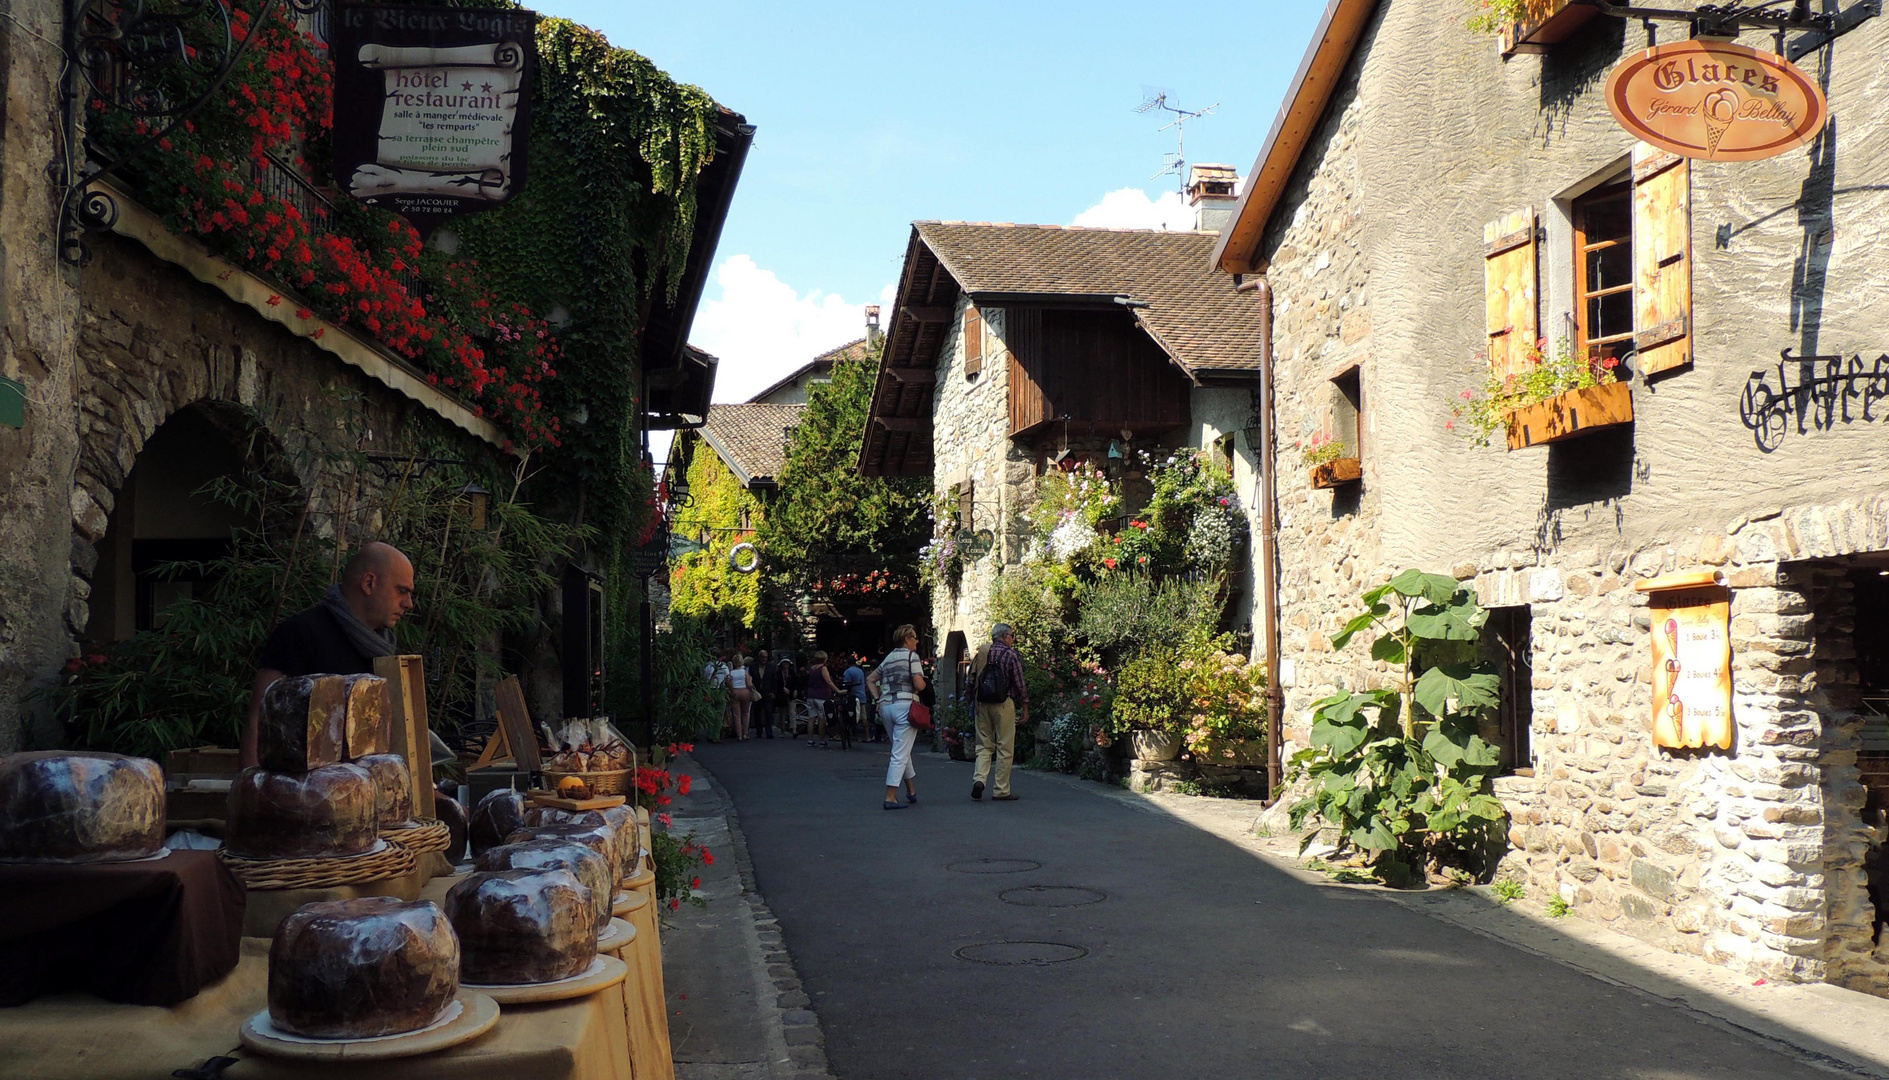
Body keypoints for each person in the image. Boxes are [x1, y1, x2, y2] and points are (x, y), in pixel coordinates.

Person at [243, 541, 415, 768]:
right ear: (369, 583)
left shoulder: (384, 652)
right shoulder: (301, 632)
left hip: (368, 790)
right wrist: (253, 789)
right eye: (401, 591)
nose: (408, 603)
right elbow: (261, 716)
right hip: (307, 791)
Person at [968, 623, 1029, 802]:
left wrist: (973, 701)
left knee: (984, 745)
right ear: (1004, 637)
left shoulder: (982, 653)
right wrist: (1025, 706)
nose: (1013, 639)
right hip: (1003, 704)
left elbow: (971, 679)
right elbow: (1020, 684)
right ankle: (1001, 789)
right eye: (1012, 635)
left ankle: (979, 779)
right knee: (1004, 746)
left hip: (983, 704)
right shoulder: (1010, 655)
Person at [867, 624, 925, 809]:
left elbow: (870, 679)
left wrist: (877, 698)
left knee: (900, 747)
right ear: (907, 639)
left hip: (886, 707)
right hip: (905, 707)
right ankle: (890, 796)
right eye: (914, 637)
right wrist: (924, 684)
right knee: (899, 753)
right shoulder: (912, 657)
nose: (917, 640)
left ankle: (911, 790)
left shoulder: (888, 658)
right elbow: (919, 683)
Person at [805, 651, 840, 747]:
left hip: (811, 695)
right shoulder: (823, 668)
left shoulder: (811, 668)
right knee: (822, 718)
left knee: (811, 718)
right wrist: (837, 690)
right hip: (821, 695)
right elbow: (828, 681)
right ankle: (821, 740)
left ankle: (810, 739)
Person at [843, 655, 870, 744]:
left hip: (852, 697)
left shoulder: (848, 672)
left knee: (849, 715)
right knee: (863, 716)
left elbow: (846, 683)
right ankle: (867, 736)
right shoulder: (860, 671)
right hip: (862, 695)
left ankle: (848, 734)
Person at [727, 650, 754, 740]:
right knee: (745, 713)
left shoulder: (731, 673)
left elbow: (728, 682)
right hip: (745, 691)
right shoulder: (745, 672)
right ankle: (745, 733)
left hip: (735, 691)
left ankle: (739, 735)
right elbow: (749, 684)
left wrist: (731, 690)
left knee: (736, 714)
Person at [774, 650, 800, 737]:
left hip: (791, 694)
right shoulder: (778, 674)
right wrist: (782, 689)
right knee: (782, 713)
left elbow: (796, 683)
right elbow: (776, 684)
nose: (785, 665)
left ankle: (794, 729)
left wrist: (795, 690)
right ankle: (782, 730)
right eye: (784, 663)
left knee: (792, 712)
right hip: (781, 695)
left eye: (787, 663)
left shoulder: (792, 673)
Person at [752, 649, 775, 739]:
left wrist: (773, 692)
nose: (764, 659)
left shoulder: (771, 667)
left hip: (767, 693)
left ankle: (769, 732)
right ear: (759, 657)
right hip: (757, 693)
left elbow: (774, 680)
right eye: (762, 657)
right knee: (757, 713)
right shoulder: (753, 667)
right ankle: (759, 732)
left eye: (765, 657)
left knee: (768, 713)